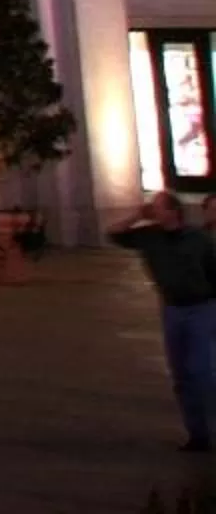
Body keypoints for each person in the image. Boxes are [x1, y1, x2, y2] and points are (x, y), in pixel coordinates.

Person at [112, 190, 216, 450]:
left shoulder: (198, 239)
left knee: (201, 372)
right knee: (180, 374)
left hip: (200, 308)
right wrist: (137, 215)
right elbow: (113, 233)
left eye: (157, 206)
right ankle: (197, 434)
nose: (152, 210)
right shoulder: (149, 236)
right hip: (172, 310)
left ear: (173, 211)